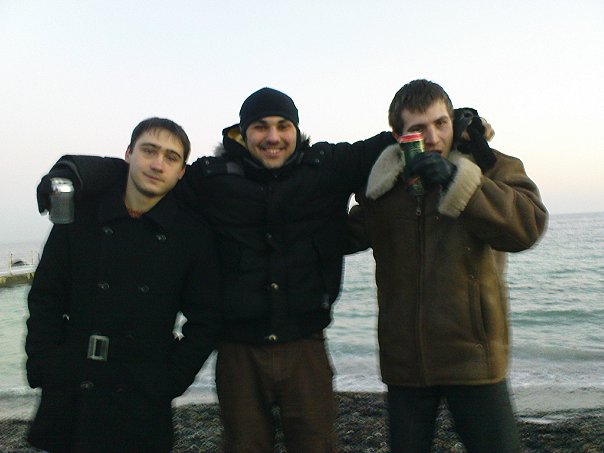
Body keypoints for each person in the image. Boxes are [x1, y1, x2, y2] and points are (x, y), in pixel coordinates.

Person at [35, 88, 488, 452]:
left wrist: (463, 123)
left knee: (316, 444)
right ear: (242, 133)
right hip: (238, 351)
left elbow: (396, 139)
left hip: (305, 346)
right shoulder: (211, 178)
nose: (273, 137)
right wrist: (74, 171)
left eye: (283, 126)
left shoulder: (328, 166)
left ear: (296, 130)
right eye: (260, 127)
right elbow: (149, 173)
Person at [346, 79, 548, 453]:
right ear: (398, 135)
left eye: (441, 123)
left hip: (474, 361)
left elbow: (528, 227)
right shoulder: (385, 185)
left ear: (453, 121)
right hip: (405, 365)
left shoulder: (488, 165)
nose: (433, 137)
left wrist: (460, 182)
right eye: (419, 128)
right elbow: (340, 237)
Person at [26, 118, 222, 452]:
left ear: (181, 172)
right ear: (129, 154)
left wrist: (172, 378)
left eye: (171, 157)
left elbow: (207, 318)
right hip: (73, 386)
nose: (158, 164)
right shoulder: (80, 217)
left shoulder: (191, 235)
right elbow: (46, 298)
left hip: (141, 394)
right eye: (149, 151)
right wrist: (47, 363)